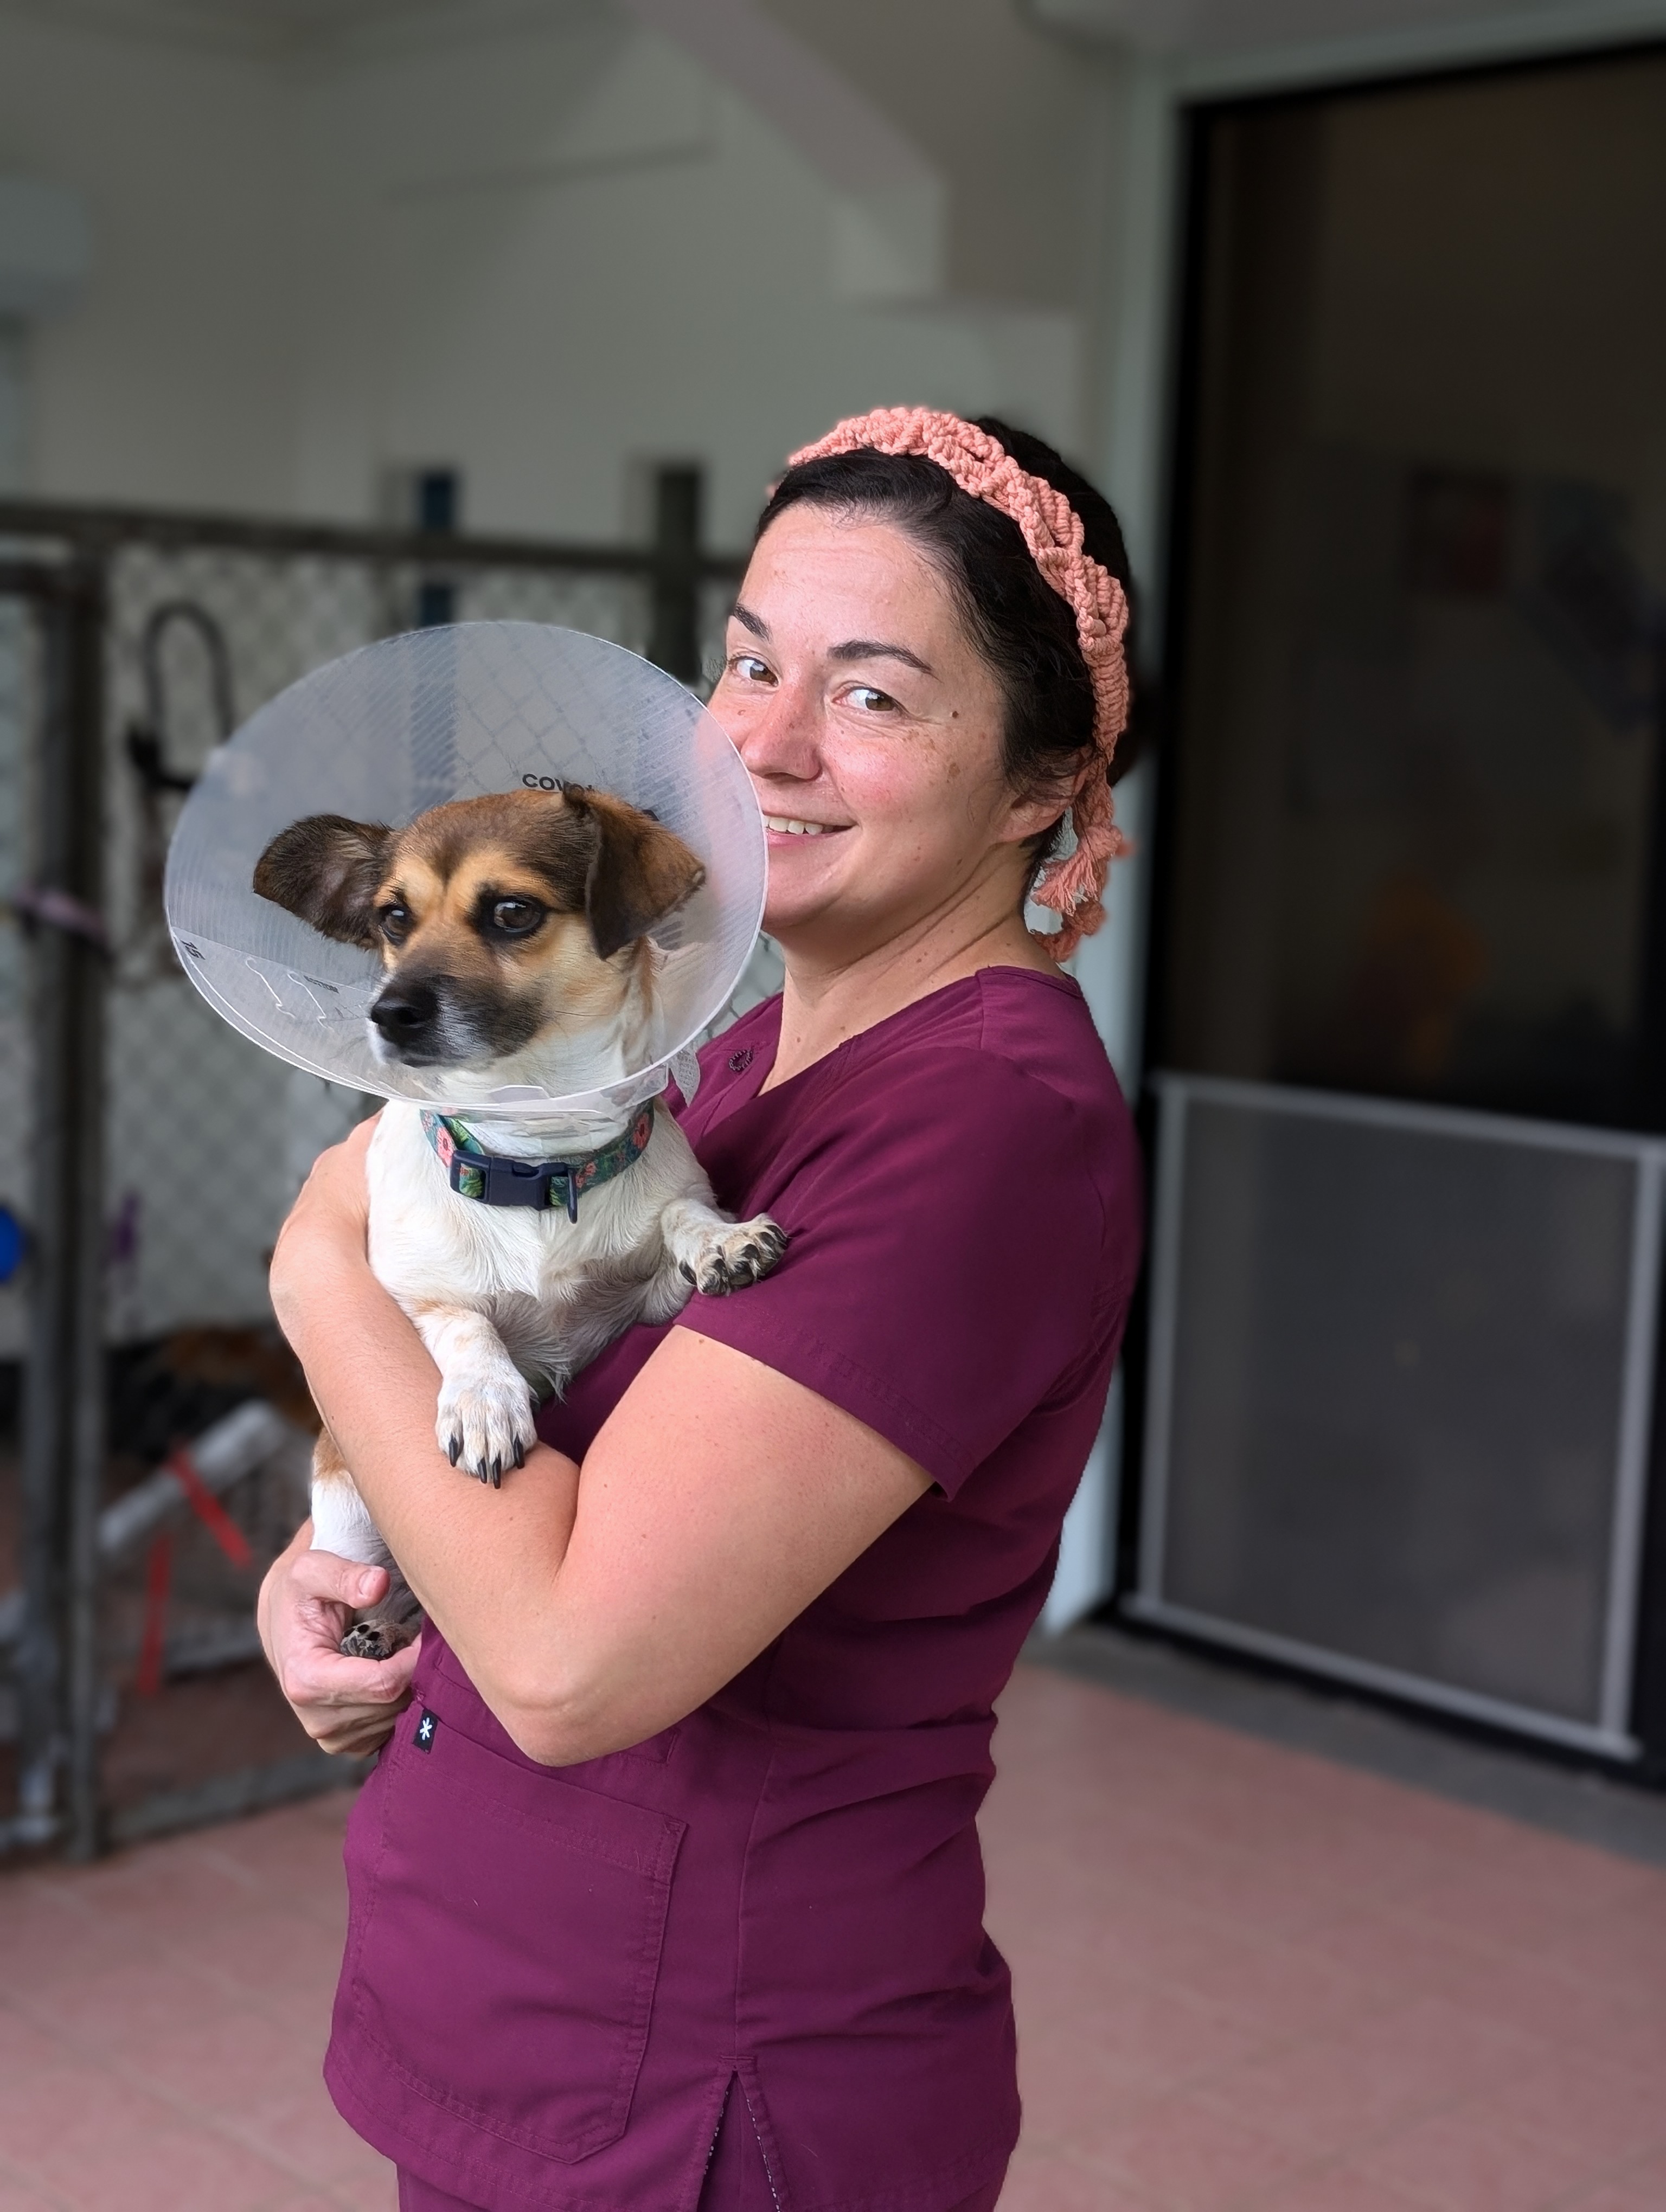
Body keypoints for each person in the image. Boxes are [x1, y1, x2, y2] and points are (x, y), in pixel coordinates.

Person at [258, 408, 1145, 2212]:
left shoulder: (982, 1122)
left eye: (874, 696)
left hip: (709, 2095)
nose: (766, 742)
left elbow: (580, 1659)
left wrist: (310, 1273)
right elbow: (474, 1306)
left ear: (1047, 780)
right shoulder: (715, 1046)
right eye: (748, 660)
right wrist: (336, 1547)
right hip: (537, 2012)